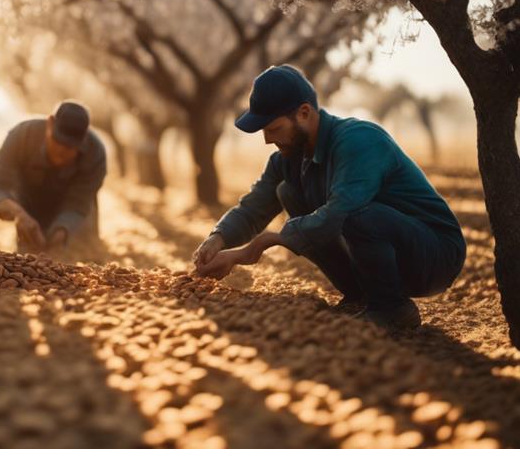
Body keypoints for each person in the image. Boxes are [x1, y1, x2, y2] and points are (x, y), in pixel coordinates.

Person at [193, 64, 466, 330]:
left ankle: (391, 308)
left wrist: (262, 243)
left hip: (435, 254)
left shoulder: (358, 140)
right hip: (387, 246)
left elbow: (340, 214)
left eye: (273, 129)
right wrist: (218, 237)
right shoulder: (287, 159)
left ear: (303, 113)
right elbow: (253, 206)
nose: (267, 139)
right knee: (287, 192)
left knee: (355, 216)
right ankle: (360, 295)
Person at [0, 100, 107, 254]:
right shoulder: (22, 136)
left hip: (75, 217)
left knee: (82, 253)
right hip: (28, 208)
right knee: (28, 256)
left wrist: (62, 231)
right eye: (58, 141)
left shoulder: (96, 154)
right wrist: (19, 214)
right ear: (50, 124)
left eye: (71, 147)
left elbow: (78, 202)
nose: (62, 150)